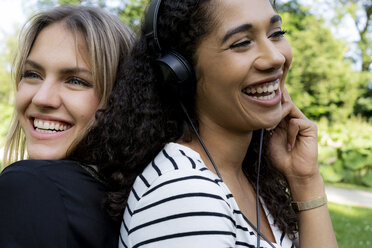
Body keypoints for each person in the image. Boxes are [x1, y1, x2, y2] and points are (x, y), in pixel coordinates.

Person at [73, 0, 338, 247]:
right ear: (179, 71)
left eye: (276, 34)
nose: (276, 58)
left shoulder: (245, 176)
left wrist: (305, 180)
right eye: (242, 42)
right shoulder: (186, 194)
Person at [0, 5, 134, 247]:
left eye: (75, 81)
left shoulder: (30, 187)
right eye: (33, 74)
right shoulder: (134, 203)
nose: (41, 98)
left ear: (120, 98)